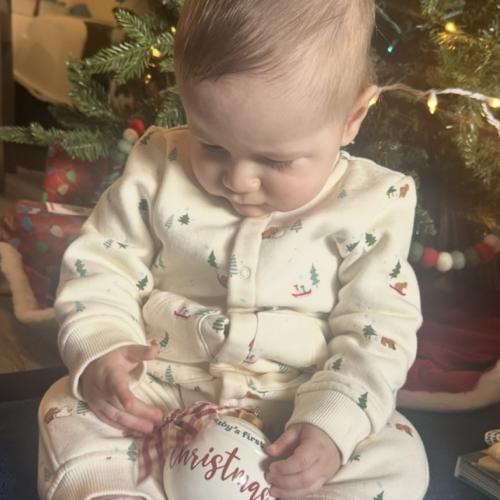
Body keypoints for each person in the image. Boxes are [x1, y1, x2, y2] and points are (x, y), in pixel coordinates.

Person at [38, 0, 429, 499]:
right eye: (212, 145)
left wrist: (332, 424)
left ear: (352, 118)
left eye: (275, 161)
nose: (238, 180)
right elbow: (101, 265)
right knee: (66, 409)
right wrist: (104, 348)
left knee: (398, 456)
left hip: (293, 404)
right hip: (162, 390)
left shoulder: (373, 204)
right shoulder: (157, 167)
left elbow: (380, 329)